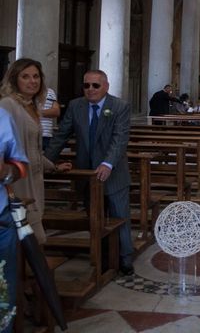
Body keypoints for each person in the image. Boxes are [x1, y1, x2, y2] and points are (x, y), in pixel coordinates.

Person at [45, 69, 134, 275]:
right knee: (95, 217)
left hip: (114, 172)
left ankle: (125, 257)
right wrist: (45, 161)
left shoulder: (119, 106)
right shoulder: (76, 106)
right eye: (86, 85)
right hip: (86, 172)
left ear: (106, 86)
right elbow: (61, 136)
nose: (90, 89)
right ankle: (102, 255)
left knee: (119, 214)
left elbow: (119, 139)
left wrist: (107, 163)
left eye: (95, 85)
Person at [0, 59, 71, 244]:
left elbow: (34, 150)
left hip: (35, 177)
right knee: (33, 238)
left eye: (36, 76)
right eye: (25, 77)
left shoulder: (32, 106)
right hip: (18, 181)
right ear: (15, 79)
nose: (32, 81)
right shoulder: (8, 105)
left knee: (31, 237)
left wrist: (53, 166)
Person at [0, 108, 29, 333]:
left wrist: (6, 171)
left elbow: (20, 166)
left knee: (2, 292)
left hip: (0, 219)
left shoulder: (2, 116)